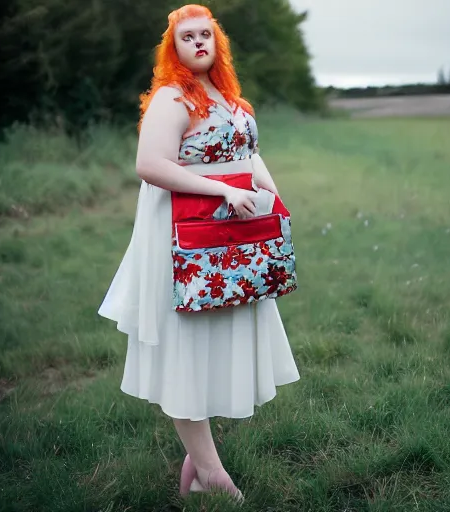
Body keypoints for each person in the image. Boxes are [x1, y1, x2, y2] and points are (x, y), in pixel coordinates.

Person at [98, 3, 300, 501]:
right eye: (186, 38)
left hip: (234, 236)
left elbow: (247, 155)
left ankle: (198, 461)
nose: (198, 43)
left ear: (218, 41)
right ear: (174, 49)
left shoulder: (230, 98)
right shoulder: (172, 97)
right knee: (183, 344)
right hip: (183, 237)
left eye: (205, 34)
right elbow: (149, 164)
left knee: (217, 338)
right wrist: (222, 193)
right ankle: (211, 473)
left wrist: (273, 202)